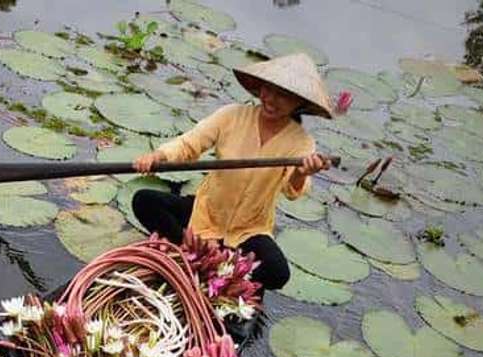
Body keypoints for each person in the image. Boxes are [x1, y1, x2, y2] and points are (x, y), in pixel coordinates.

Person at [129, 52, 335, 292]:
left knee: (278, 272)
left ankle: (218, 268)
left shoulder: (301, 142)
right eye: (268, 89)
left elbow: (292, 190)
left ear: (298, 103)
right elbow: (189, 144)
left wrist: (302, 173)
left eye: (283, 96)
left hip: (249, 229)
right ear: (260, 88)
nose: (271, 99)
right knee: (144, 200)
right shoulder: (232, 116)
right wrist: (157, 156)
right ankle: (189, 249)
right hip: (206, 213)